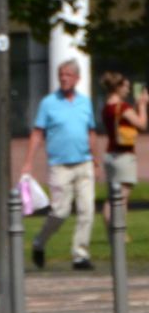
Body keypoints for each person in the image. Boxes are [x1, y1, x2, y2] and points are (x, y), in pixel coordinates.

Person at [21, 60, 99, 271]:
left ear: (77, 78)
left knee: (87, 210)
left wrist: (94, 155)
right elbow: (37, 134)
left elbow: (91, 131)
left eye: (68, 75)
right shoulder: (49, 103)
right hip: (59, 166)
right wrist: (28, 162)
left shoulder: (85, 103)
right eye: (61, 75)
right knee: (60, 212)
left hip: (83, 163)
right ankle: (39, 242)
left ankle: (80, 255)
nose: (64, 78)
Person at [99, 71, 148, 239]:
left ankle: (111, 231)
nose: (127, 90)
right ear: (118, 87)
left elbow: (124, 121)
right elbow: (141, 124)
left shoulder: (107, 108)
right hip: (124, 156)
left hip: (110, 154)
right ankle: (120, 233)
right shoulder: (123, 107)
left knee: (112, 197)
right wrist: (142, 106)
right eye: (126, 87)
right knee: (122, 199)